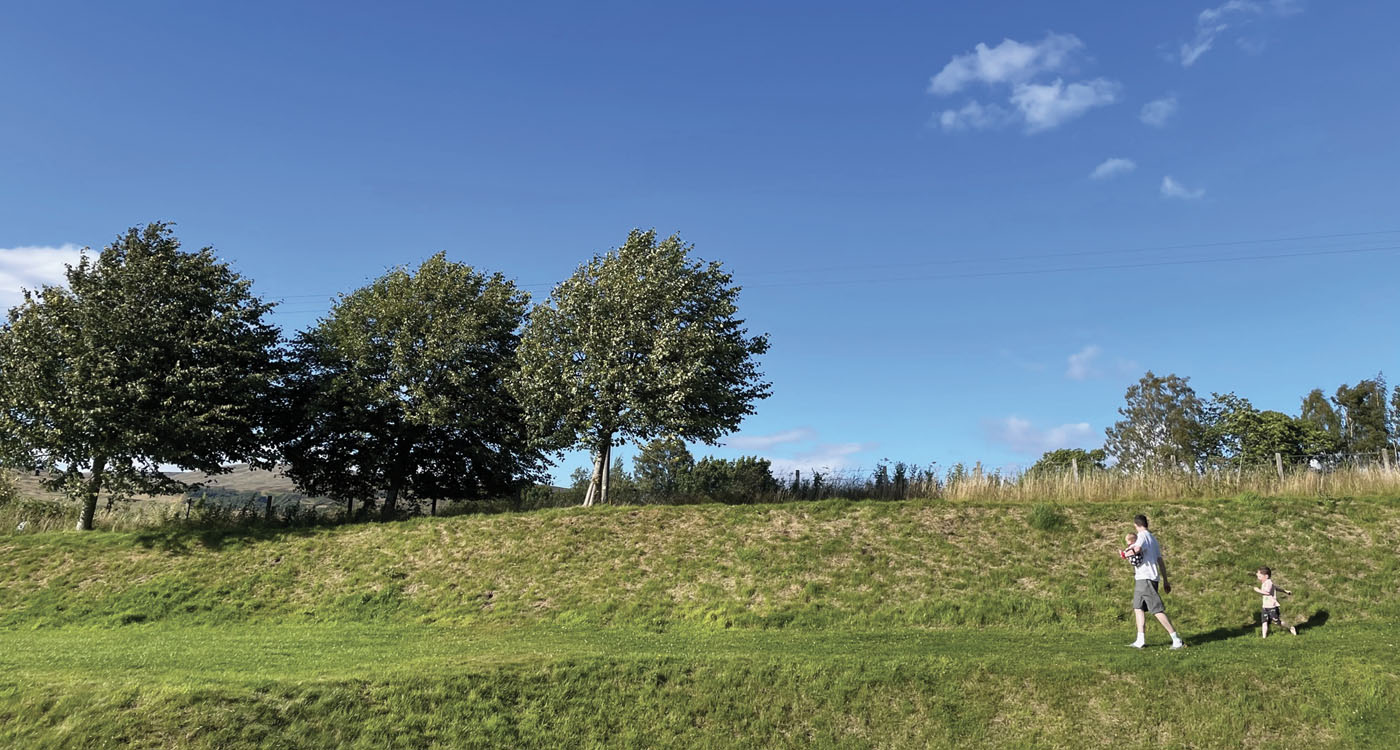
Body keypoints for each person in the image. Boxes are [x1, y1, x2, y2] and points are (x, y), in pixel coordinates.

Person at [1123, 514, 1183, 649]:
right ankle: (1140, 640)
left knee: (1156, 609)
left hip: (1146, 579)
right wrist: (1166, 580)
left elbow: (1136, 549)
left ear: (1135, 525)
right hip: (1144, 578)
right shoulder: (1153, 539)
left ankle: (1176, 639)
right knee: (1138, 608)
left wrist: (1124, 554)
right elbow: (1160, 561)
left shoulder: (1142, 536)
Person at [1252, 566, 1297, 637]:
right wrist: (1285, 591)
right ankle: (1264, 638)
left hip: (1272, 606)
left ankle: (1290, 627)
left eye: (1260, 576)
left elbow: (1267, 592)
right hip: (1265, 606)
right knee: (1264, 622)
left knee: (1277, 622)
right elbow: (1276, 588)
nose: (1258, 577)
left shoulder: (1269, 582)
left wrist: (1257, 590)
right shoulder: (1264, 583)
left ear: (1266, 576)